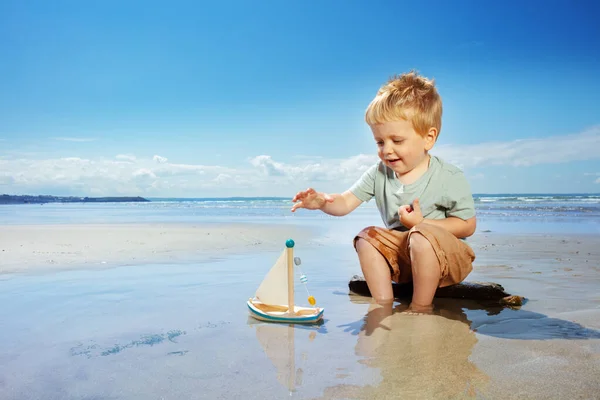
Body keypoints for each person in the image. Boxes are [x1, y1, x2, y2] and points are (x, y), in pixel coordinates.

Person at [291, 70, 476, 314]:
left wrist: (422, 223)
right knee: (366, 238)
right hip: (405, 261)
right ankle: (382, 303)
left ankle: (421, 306)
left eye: (397, 141)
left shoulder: (448, 176)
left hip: (447, 259)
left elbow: (467, 225)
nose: (387, 150)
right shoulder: (380, 173)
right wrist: (322, 202)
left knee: (420, 235)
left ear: (428, 138)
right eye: (380, 142)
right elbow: (345, 202)